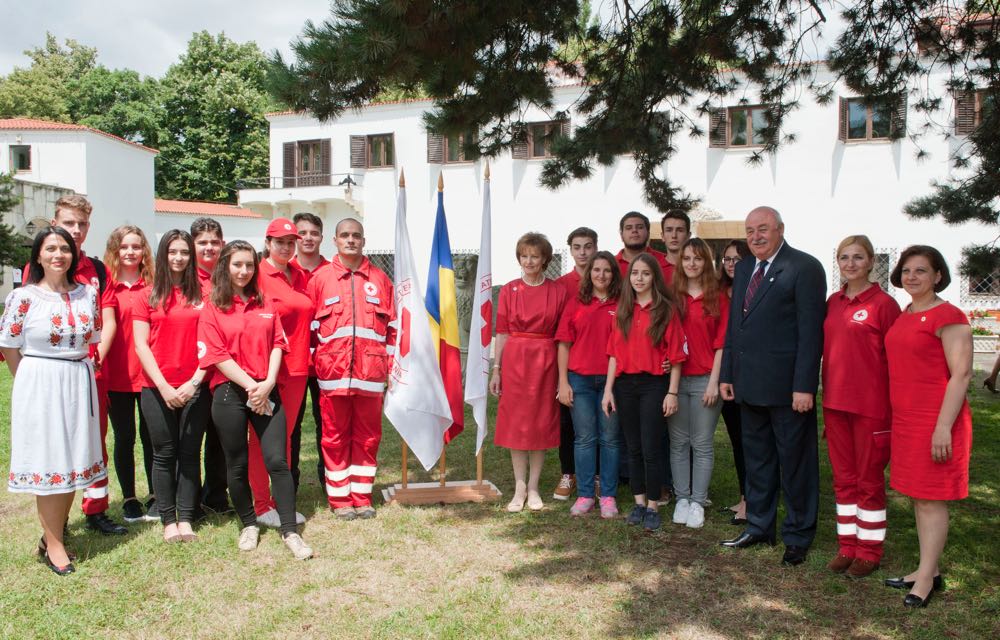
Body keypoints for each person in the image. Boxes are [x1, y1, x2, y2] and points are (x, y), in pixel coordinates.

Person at [719, 206, 826, 567]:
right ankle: (760, 525)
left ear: (780, 229)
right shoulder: (746, 266)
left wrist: (804, 386)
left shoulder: (804, 267)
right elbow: (736, 327)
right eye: (750, 231)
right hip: (748, 386)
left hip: (788, 391)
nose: (755, 237)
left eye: (763, 229)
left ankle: (797, 535)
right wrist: (728, 374)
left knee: (795, 464)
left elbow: (811, 334)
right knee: (758, 462)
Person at [198, 240, 312, 560]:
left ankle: (290, 530)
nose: (244, 271)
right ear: (225, 266)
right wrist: (253, 387)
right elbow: (217, 355)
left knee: (278, 460)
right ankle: (249, 522)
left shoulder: (265, 302)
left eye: (249, 265)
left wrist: (269, 383)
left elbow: (278, 343)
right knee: (236, 464)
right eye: (237, 264)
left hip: (266, 388)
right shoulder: (213, 306)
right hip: (230, 393)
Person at [2, 227, 105, 575]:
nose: (58, 254)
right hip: (40, 381)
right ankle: (55, 547)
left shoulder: (87, 294)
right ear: (39, 255)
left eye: (64, 248)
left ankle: (54, 534)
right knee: (49, 461)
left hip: (78, 378)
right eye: (50, 249)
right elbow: (9, 345)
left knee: (73, 459)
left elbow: (91, 337)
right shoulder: (24, 298)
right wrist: (30, 382)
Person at [20, 196, 125, 536]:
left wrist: (97, 357)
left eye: (81, 224)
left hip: (91, 371)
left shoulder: (97, 269)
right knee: (56, 444)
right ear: (55, 223)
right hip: (53, 375)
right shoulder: (40, 267)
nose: (75, 231)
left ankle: (96, 508)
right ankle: (56, 523)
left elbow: (107, 319)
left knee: (93, 439)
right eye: (69, 223)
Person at [883, 246, 972, 607]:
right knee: (919, 498)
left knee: (932, 500)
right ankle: (927, 569)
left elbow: (962, 374)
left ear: (938, 276)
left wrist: (943, 427)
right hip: (905, 420)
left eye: (921, 270)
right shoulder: (904, 315)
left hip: (936, 421)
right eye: (907, 270)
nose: (912, 277)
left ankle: (926, 580)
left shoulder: (948, 315)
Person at [822, 235, 901, 578]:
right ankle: (847, 545)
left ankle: (869, 550)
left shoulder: (885, 304)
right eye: (844, 257)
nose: (850, 263)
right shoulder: (833, 302)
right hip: (835, 403)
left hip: (871, 406)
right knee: (844, 479)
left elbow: (897, 361)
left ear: (871, 262)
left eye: (858, 257)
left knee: (869, 480)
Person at [307, 218, 395, 520]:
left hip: (370, 377)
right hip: (332, 377)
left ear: (363, 240)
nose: (351, 240)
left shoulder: (381, 279)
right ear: (335, 240)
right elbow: (308, 329)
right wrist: (315, 364)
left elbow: (393, 328)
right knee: (334, 437)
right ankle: (340, 500)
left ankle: (362, 496)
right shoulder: (320, 279)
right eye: (345, 235)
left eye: (356, 235)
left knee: (368, 438)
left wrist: (391, 367)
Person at [133, 230, 212, 543]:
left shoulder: (203, 296)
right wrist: (164, 387)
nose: (179, 258)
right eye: (173, 252)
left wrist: (193, 383)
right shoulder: (147, 295)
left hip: (195, 385)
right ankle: (168, 520)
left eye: (184, 252)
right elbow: (141, 345)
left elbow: (212, 345)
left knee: (191, 453)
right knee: (164, 454)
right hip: (156, 388)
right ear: (163, 255)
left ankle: (187, 518)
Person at [602, 253, 686, 532]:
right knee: (633, 446)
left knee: (651, 447)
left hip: (653, 385)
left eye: (645, 274)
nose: (639, 278)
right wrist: (608, 391)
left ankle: (652, 504)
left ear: (654, 278)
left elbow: (675, 358)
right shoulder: (623, 310)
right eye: (635, 273)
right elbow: (614, 354)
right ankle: (638, 502)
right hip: (625, 386)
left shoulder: (666, 311)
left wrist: (672, 393)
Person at [490, 233, 568, 512]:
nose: (529, 261)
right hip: (515, 362)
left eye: (535, 256)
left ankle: (534, 487)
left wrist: (562, 375)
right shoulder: (509, 290)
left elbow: (563, 337)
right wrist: (496, 369)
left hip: (545, 360)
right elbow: (502, 332)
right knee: (516, 423)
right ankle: (519, 486)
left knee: (540, 422)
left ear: (545, 259)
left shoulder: (558, 291)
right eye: (524, 255)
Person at [249, 218, 312, 528]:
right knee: (261, 440)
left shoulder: (299, 274)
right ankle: (260, 504)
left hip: (298, 368)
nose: (286, 247)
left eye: (291, 241)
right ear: (267, 242)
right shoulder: (257, 274)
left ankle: (277, 501)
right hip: (268, 370)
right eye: (280, 241)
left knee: (284, 438)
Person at [668, 238, 729, 529]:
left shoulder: (717, 297)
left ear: (707, 262)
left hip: (706, 378)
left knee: (702, 443)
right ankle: (682, 498)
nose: (692, 263)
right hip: (677, 380)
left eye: (698, 258)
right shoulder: (672, 296)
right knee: (679, 442)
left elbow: (721, 344)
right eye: (687, 258)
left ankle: (698, 501)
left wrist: (714, 382)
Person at [556, 251, 621, 518]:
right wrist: (563, 382)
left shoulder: (622, 303)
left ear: (614, 274)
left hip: (612, 381)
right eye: (596, 270)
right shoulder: (575, 303)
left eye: (607, 270)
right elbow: (563, 344)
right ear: (589, 273)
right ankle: (584, 495)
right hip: (579, 380)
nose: (601, 275)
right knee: (584, 439)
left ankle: (607, 496)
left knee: (610, 439)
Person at [100, 225, 157, 524]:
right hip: (118, 375)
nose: (130, 252)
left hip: (149, 375)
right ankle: (130, 498)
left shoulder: (154, 284)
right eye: (124, 247)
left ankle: (155, 495)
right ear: (115, 250)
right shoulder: (107, 285)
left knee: (151, 437)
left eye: (136, 246)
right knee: (124, 437)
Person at [553, 227, 599, 501]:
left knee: (601, 424)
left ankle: (595, 476)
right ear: (570, 250)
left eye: (588, 246)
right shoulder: (561, 285)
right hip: (568, 365)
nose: (583, 252)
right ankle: (568, 473)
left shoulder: (605, 279)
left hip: (600, 365)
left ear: (595, 248)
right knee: (568, 423)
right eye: (577, 247)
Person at [190, 217, 232, 516]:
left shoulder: (228, 278)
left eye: (214, 242)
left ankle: (216, 497)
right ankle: (189, 502)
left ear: (223, 244)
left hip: (221, 374)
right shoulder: (183, 278)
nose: (209, 247)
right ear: (193, 246)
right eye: (202, 242)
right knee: (191, 441)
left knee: (220, 442)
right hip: (189, 374)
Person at [289, 212, 330, 490]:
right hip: (292, 361)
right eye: (302, 233)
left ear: (322, 237)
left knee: (326, 424)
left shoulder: (332, 271)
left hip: (327, 361)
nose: (307, 238)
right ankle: (287, 480)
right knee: (290, 426)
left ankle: (329, 479)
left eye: (313, 233)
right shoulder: (282, 270)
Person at [718, 239, 751, 525]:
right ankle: (744, 496)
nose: (731, 264)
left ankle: (750, 501)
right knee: (737, 439)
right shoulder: (718, 293)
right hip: (722, 376)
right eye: (727, 259)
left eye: (737, 259)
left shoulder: (754, 290)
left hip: (748, 376)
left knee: (749, 441)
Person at [615, 212, 670, 279]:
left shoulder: (666, 262)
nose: (634, 230)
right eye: (629, 228)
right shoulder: (610, 265)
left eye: (640, 227)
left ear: (648, 234)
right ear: (621, 235)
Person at [660, 211, 692, 282]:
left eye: (680, 230)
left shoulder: (698, 269)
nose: (674, 235)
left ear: (688, 236)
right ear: (662, 236)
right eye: (669, 230)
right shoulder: (653, 268)